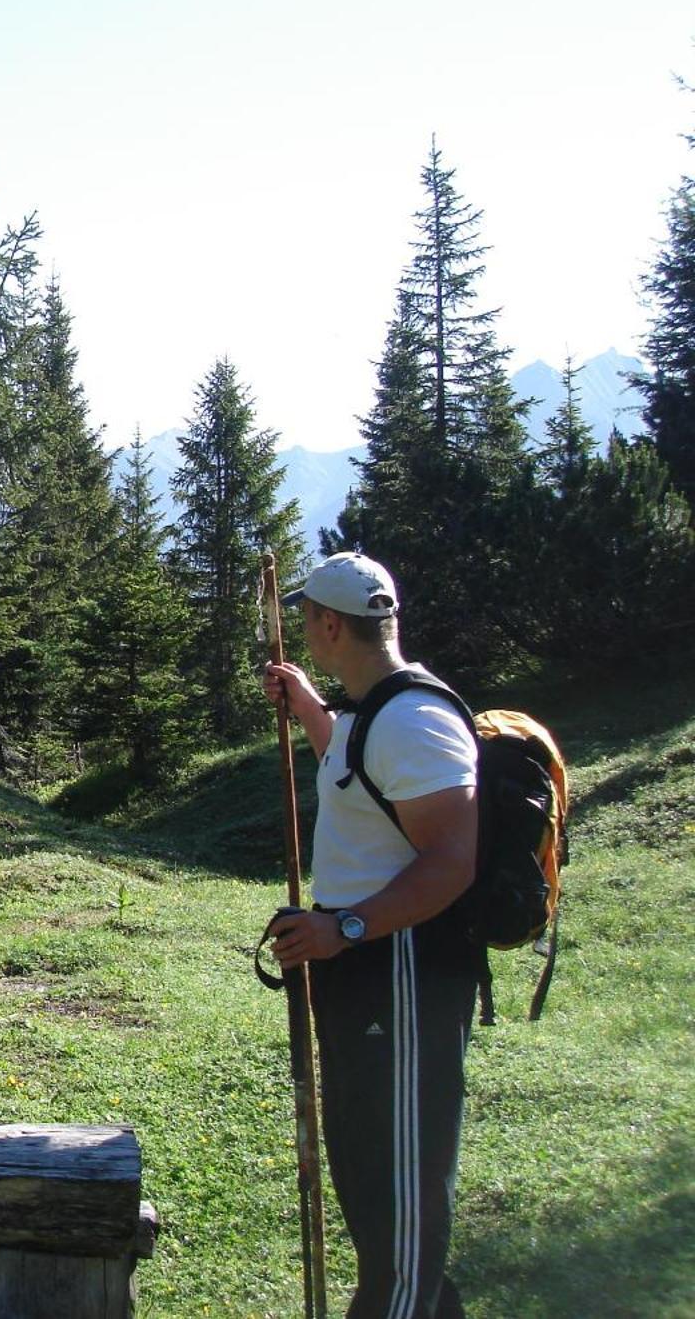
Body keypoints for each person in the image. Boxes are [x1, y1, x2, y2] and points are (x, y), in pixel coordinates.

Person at [262, 551, 481, 1319]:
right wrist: (308, 704)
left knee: (402, 1179)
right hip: (359, 966)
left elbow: (451, 864)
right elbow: (352, 771)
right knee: (364, 1162)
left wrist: (344, 928)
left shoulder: (416, 718)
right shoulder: (365, 709)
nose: (303, 631)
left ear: (327, 624)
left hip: (407, 968)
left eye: (306, 621)